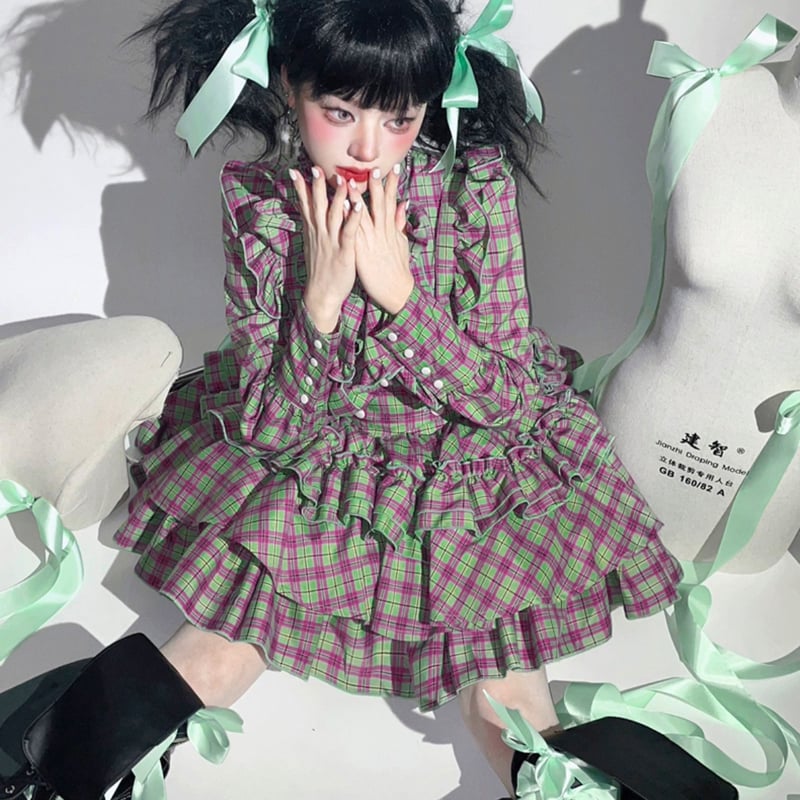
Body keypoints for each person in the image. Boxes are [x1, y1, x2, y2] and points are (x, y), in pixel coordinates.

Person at [1, 1, 712, 798]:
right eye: (340, 113)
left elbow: (509, 403)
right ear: (288, 86)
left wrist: (403, 298)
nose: (369, 147)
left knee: (508, 698)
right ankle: (43, 766)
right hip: (318, 465)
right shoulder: (263, 203)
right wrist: (321, 302)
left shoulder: (474, 189)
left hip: (473, 472)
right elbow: (271, 428)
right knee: (214, 656)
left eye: (399, 119)